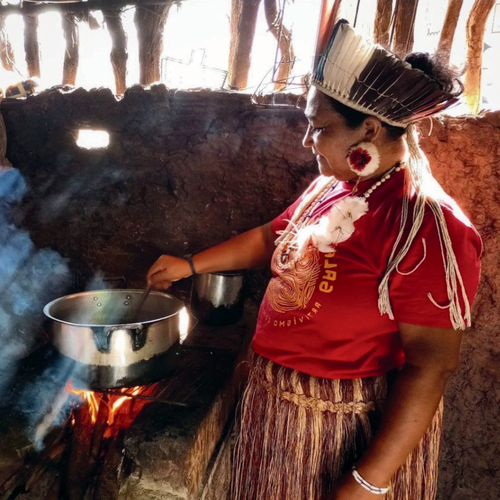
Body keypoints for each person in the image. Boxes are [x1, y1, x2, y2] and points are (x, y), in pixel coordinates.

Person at [147, 19, 482, 500]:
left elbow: (432, 365)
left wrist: (366, 484)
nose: (307, 140)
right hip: (278, 413)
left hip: (339, 428)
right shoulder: (333, 187)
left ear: (368, 129)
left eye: (319, 127)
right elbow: (272, 237)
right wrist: (190, 265)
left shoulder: (425, 225)